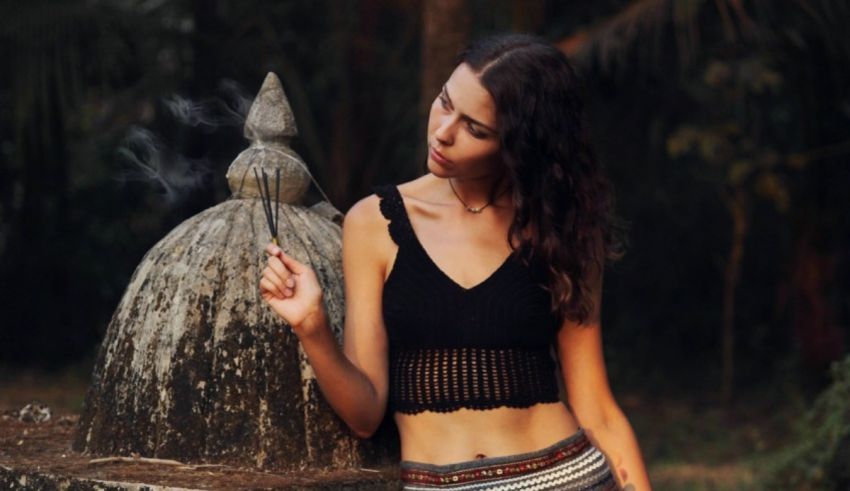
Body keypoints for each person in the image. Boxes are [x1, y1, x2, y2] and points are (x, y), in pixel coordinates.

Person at [259, 32, 651, 490]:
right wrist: (313, 327)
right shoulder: (375, 223)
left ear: (518, 145)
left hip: (563, 476)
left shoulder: (558, 226)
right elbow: (365, 416)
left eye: (475, 129)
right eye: (445, 103)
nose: (444, 132)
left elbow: (598, 410)